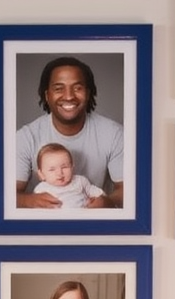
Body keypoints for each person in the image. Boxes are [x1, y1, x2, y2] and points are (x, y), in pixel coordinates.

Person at [15, 57, 123, 209]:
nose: (69, 96)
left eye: (77, 88)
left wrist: (108, 202)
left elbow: (128, 190)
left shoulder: (114, 134)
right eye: (59, 88)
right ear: (47, 95)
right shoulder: (24, 138)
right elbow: (7, 195)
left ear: (88, 92)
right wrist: (29, 201)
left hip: (95, 225)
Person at [31, 143, 105, 209]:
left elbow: (99, 195)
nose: (59, 173)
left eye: (64, 167)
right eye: (52, 169)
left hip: (82, 218)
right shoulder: (41, 189)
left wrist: (100, 199)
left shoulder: (80, 181)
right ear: (41, 175)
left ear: (72, 168)